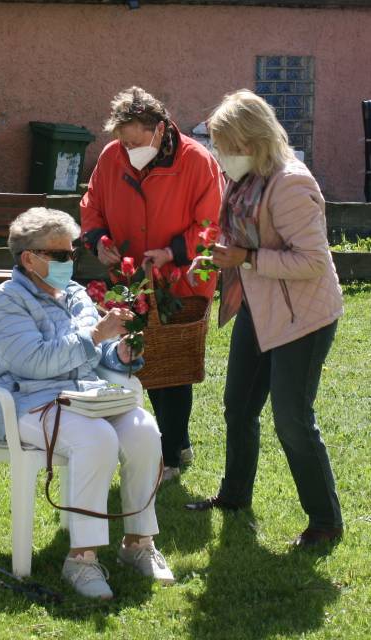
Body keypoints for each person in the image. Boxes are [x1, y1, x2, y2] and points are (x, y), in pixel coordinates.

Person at [0, 207, 174, 599]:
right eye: (61, 255)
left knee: (144, 431)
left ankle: (138, 543)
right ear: (29, 258)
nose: (71, 262)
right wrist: (95, 337)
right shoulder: (5, 301)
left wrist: (120, 352)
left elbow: (95, 355)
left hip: (83, 397)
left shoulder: (75, 295)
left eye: (72, 254)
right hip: (25, 404)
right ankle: (81, 560)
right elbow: (32, 362)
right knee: (95, 438)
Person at [186, 90, 343, 547]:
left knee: (292, 419)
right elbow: (237, 236)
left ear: (252, 140)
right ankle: (234, 496)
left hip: (304, 317)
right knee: (238, 404)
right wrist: (221, 260)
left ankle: (325, 522)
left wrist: (248, 258)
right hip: (259, 306)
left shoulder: (291, 183)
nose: (219, 154)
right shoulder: (245, 177)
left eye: (225, 144)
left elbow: (313, 261)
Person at [80, 86, 224, 481]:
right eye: (122, 141)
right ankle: (174, 442)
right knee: (136, 359)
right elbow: (91, 205)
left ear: (159, 129)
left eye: (134, 141)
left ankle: (172, 456)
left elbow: (211, 225)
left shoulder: (198, 161)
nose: (127, 149)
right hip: (129, 277)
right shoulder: (112, 157)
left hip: (181, 279)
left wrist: (173, 252)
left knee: (173, 364)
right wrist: (99, 241)